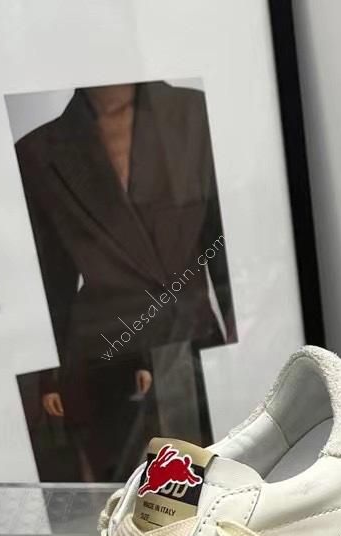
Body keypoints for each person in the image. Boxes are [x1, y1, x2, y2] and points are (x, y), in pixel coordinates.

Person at [15, 81, 238, 482]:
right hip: (107, 359)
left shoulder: (196, 111)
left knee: (217, 492)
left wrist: (243, 340)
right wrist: (49, 379)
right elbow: (52, 283)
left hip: (194, 344)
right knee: (137, 505)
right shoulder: (39, 150)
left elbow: (226, 246)